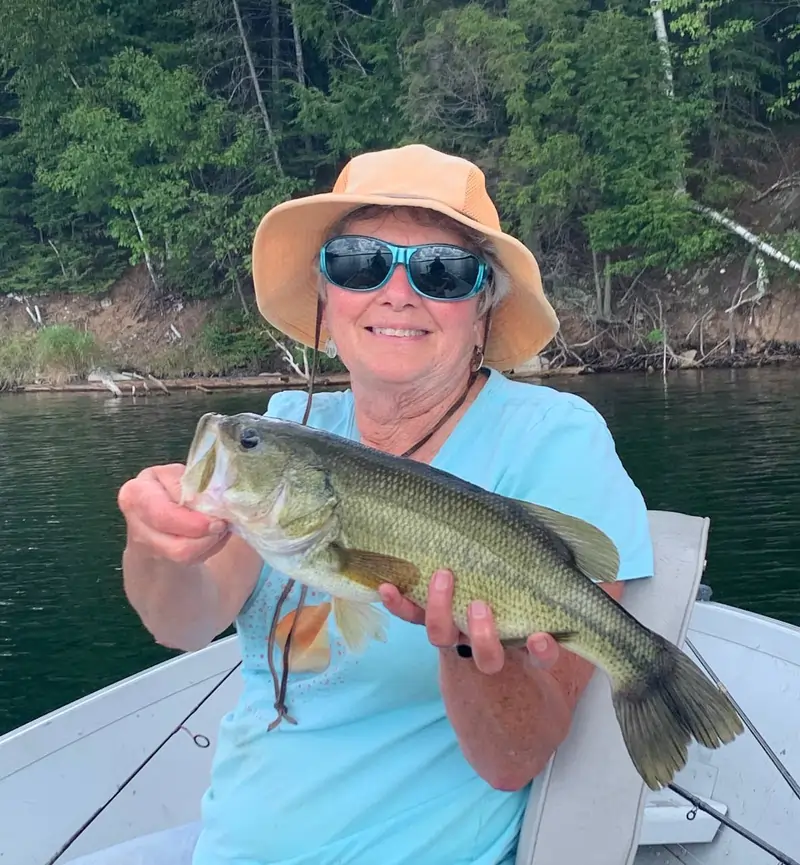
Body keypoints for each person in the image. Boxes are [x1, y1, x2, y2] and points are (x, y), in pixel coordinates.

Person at [102, 143, 654, 865]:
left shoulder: (553, 440)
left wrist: (466, 647)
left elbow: (513, 757)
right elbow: (181, 621)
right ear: (326, 297)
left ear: (484, 309)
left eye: (443, 272)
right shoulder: (287, 433)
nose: (398, 292)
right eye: (360, 262)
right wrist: (156, 542)